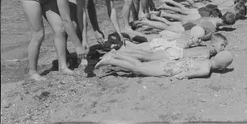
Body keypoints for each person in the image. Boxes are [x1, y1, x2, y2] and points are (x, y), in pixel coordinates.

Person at [19, 0, 99, 81]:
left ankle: (62, 66)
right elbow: (66, 19)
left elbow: (81, 13)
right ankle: (33, 72)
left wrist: (84, 40)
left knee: (60, 29)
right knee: (38, 34)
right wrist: (77, 46)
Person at [95, 49, 234, 79]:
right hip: (168, 69)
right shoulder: (206, 69)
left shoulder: (204, 58)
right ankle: (111, 60)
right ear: (222, 67)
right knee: (139, 69)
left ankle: (116, 54)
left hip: (168, 63)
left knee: (140, 64)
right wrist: (177, 78)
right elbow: (188, 74)